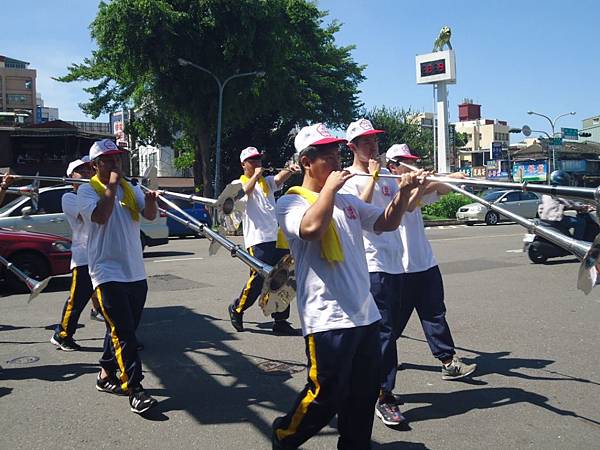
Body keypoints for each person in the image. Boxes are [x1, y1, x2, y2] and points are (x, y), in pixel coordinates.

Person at [273, 124, 419, 449]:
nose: (336, 161)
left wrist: (405, 192)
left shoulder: (348, 201)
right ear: (306, 162)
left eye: (337, 152)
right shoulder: (291, 203)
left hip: (364, 315)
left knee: (363, 396)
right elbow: (311, 228)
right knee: (326, 394)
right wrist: (329, 190)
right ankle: (284, 435)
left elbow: (385, 222)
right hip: (327, 319)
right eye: (327, 155)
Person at [77, 139, 158, 414]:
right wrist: (111, 185)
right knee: (124, 333)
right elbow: (101, 216)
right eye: (109, 160)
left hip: (134, 271)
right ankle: (135, 389)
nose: (116, 164)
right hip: (106, 272)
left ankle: (104, 373)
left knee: (123, 329)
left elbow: (148, 216)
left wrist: (149, 202)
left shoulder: (129, 187)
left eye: (118, 159)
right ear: (94, 166)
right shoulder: (87, 192)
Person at [386, 143, 477, 381]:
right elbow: (406, 205)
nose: (412, 167)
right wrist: (435, 179)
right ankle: (379, 358)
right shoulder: (385, 191)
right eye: (405, 163)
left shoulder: (418, 188)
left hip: (425, 264)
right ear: (392, 167)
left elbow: (441, 190)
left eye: (412, 162)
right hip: (399, 269)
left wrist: (452, 179)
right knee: (391, 324)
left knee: (434, 314)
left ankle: (448, 360)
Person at [339, 118, 407, 426]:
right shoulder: (348, 178)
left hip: (396, 261)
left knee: (381, 332)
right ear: (352, 147)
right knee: (385, 332)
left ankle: (362, 383)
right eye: (365, 142)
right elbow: (358, 211)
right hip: (371, 263)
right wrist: (372, 178)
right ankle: (383, 395)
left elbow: (401, 211)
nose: (373, 146)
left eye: (375, 140)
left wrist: (411, 185)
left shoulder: (389, 176)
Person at [228, 146, 301, 336]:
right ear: (244, 164)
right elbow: (243, 194)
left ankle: (281, 321)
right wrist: (255, 176)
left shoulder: (266, 182)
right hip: (257, 240)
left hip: (276, 238)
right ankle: (237, 308)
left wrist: (288, 170)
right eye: (253, 161)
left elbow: (278, 179)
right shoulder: (239, 183)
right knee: (258, 280)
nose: (257, 163)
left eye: (259, 160)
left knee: (283, 279)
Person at [50, 157, 105, 352]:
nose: (87, 173)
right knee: (77, 301)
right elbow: (88, 215)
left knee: (111, 301)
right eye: (80, 171)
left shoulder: (93, 193)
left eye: (89, 169)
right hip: (83, 257)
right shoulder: (69, 198)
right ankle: (62, 334)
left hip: (100, 255)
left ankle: (123, 337)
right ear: (71, 178)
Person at [538, 170, 589, 239]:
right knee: (580, 222)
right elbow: (569, 203)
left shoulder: (547, 191)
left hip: (544, 219)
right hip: (555, 219)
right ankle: (577, 243)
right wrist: (581, 207)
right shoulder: (558, 191)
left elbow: (555, 205)